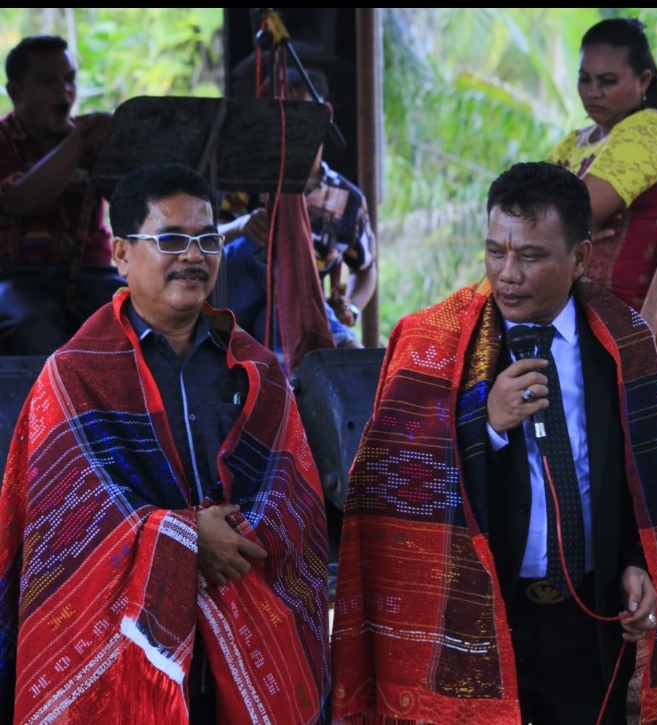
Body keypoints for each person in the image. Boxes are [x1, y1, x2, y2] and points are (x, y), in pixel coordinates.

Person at [330, 162, 657, 725]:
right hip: (477, 613)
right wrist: (485, 424)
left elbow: (645, 476)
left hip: (589, 615)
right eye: (496, 252)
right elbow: (387, 481)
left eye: (531, 256)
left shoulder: (623, 339)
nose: (508, 274)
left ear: (579, 259)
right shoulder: (432, 340)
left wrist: (633, 563)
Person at [0, 163, 330, 723]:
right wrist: (186, 538)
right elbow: (68, 518)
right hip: (120, 654)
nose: (194, 256)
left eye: (208, 239)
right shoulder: (73, 375)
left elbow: (294, 500)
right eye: (172, 239)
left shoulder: (256, 368)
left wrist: (230, 540)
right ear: (122, 254)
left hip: (244, 642)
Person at [547, 17, 657, 345]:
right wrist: (567, 231)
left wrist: (564, 228)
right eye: (585, 79)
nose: (593, 92)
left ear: (643, 80)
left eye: (608, 81)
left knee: (459, 333)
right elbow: (521, 212)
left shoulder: (650, 130)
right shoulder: (575, 141)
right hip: (559, 298)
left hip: (611, 310)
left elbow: (556, 216)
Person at [219, 68, 376, 350]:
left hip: (282, 315)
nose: (287, 122)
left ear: (324, 113)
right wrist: (241, 226)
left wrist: (350, 307)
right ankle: (342, 344)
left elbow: (365, 269)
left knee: (277, 319)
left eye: (297, 112)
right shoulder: (244, 177)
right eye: (278, 113)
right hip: (230, 298)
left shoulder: (347, 199)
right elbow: (201, 239)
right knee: (273, 253)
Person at [0, 35, 124, 356]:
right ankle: (43, 407)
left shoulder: (91, 136)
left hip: (94, 274)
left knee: (136, 315)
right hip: (19, 278)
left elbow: (130, 207)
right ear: (15, 92)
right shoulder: (3, 140)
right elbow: (23, 199)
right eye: (47, 81)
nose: (63, 90)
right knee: (28, 323)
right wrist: (79, 140)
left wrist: (114, 148)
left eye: (69, 79)